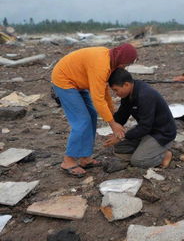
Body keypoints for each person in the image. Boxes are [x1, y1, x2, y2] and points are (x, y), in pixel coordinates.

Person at [51, 44, 138, 177]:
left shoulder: (111, 62)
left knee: (91, 114)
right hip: (64, 80)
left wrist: (112, 116)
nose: (125, 67)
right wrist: (112, 124)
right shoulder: (101, 65)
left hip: (79, 81)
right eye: (126, 63)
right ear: (121, 59)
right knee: (82, 120)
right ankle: (68, 160)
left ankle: (85, 157)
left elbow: (104, 93)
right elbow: (98, 99)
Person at [104, 68, 177, 169]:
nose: (116, 94)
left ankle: (165, 155)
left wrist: (122, 137)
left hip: (161, 133)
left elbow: (145, 127)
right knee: (119, 148)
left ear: (126, 85)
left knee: (138, 161)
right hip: (147, 131)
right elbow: (122, 114)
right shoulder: (128, 94)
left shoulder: (145, 95)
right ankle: (147, 151)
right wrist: (115, 128)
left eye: (116, 90)